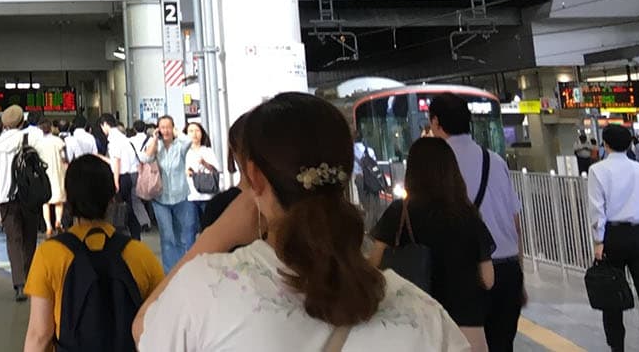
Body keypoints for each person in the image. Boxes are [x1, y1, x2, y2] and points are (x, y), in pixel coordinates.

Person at [134, 92, 468, 351]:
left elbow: (144, 331)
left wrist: (219, 232)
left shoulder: (207, 290)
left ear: (254, 177)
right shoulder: (423, 314)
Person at [23, 156, 164, 352]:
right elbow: (159, 325)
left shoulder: (50, 255)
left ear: (69, 198)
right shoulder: (138, 254)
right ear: (111, 198)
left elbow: (40, 335)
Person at [369, 137, 496, 350]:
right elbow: (488, 279)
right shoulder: (467, 215)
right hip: (466, 328)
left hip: (414, 328)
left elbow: (375, 264)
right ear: (451, 171)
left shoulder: (400, 212)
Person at [427, 93, 525, 352]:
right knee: (502, 345)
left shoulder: (437, 166)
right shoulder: (495, 160)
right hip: (507, 270)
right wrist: (520, 275)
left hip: (465, 274)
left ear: (436, 122)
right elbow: (514, 221)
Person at [587, 123, 639, 352]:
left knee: (611, 297)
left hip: (613, 236)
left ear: (605, 144)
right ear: (631, 144)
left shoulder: (597, 170)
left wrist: (599, 241)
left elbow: (597, 208)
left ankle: (617, 348)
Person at [0, 105, 38, 300]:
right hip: (29, 196)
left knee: (13, 239)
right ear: (21, 121)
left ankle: (19, 283)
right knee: (29, 238)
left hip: (6, 198)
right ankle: (31, 278)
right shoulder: (29, 139)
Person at [140, 115, 190, 271]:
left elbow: (188, 141)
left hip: (180, 196)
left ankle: (181, 268)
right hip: (160, 197)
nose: (165, 130)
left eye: (168, 127)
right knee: (167, 237)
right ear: (157, 129)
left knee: (181, 236)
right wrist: (154, 140)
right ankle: (170, 271)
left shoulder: (180, 145)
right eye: (162, 127)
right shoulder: (155, 144)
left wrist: (177, 132)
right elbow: (145, 158)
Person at [100, 114, 143, 240]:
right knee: (127, 207)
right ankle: (134, 233)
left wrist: (115, 182)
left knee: (120, 208)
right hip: (127, 176)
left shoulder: (113, 140)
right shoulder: (123, 138)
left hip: (120, 176)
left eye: (102, 127)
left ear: (105, 124)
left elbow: (117, 161)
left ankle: (122, 233)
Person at [182, 122, 220, 244]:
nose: (194, 134)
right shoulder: (183, 152)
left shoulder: (208, 151)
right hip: (189, 195)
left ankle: (210, 249)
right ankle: (190, 255)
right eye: (191, 131)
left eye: (197, 131)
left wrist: (204, 163)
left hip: (207, 194)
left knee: (208, 226)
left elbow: (216, 170)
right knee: (190, 227)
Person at [40, 121, 68, 233]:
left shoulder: (39, 143)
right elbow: (63, 157)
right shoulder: (58, 141)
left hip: (44, 174)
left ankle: (48, 227)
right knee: (59, 200)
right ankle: (58, 221)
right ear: (51, 129)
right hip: (58, 172)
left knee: (45, 202)